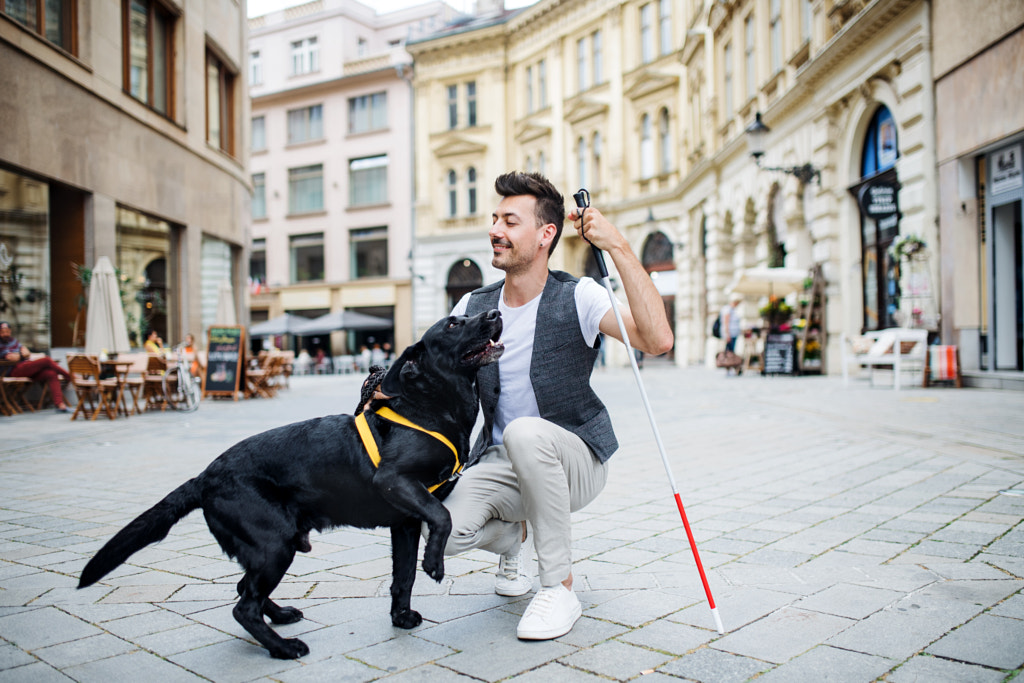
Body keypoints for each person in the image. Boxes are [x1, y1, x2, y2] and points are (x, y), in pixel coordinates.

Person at [440, 171, 673, 640]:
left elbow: (657, 340)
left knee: (527, 431)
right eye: (494, 218)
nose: (495, 230)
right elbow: (431, 369)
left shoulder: (579, 295)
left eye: (510, 220)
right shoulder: (472, 305)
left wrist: (620, 248)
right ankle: (515, 535)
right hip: (500, 459)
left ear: (546, 234)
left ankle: (559, 587)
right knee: (436, 532)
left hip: (574, 459)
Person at [0, 321, 73, 413]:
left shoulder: (13, 341)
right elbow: (11, 358)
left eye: (7, 331)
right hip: (12, 371)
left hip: (24, 368)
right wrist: (21, 355)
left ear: (10, 331)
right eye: (2, 332)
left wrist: (20, 355)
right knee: (46, 360)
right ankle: (70, 377)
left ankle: (60, 405)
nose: (5, 334)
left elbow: (27, 352)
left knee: (51, 373)